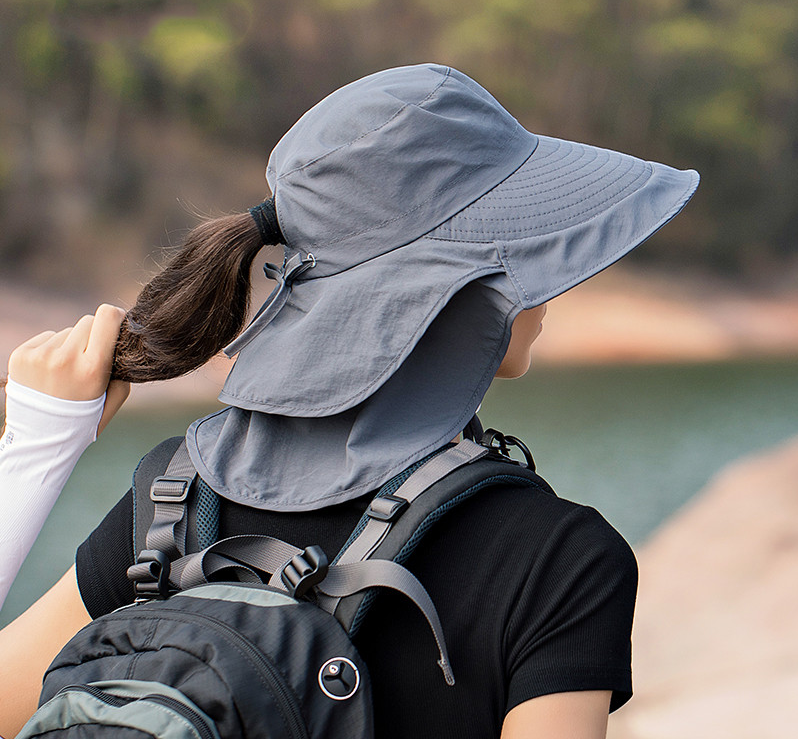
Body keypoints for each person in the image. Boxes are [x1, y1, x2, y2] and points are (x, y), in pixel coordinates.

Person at [0, 63, 699, 738]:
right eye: (529, 253)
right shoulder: (559, 556)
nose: (553, 285)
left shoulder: (171, 500)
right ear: (455, 293)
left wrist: (40, 447)